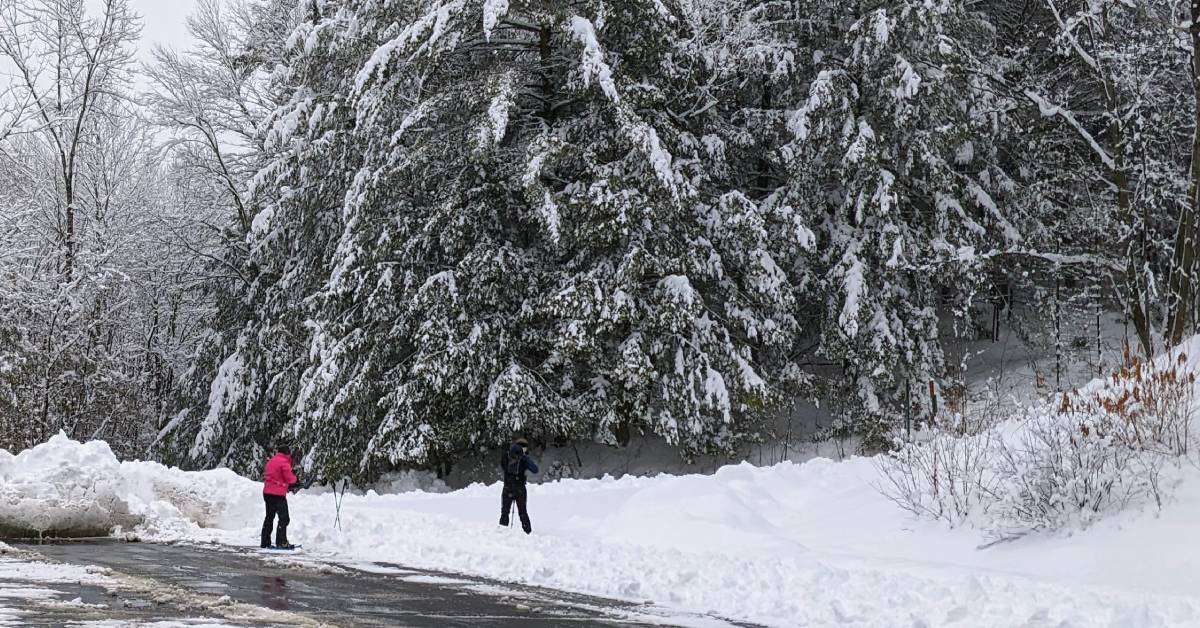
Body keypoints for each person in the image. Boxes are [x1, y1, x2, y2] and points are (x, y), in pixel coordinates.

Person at [262, 444, 298, 549]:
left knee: (269, 517)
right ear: (287, 453)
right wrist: (295, 479)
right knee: (284, 518)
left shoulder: (271, 461)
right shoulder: (284, 462)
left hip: (267, 493)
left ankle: (265, 542)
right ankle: (281, 542)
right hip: (278, 494)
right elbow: (290, 479)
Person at [499, 437, 539, 534]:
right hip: (520, 488)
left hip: (507, 487)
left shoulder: (507, 455)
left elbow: (503, 466)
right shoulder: (524, 458)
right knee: (522, 512)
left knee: (505, 513)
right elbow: (535, 470)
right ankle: (528, 532)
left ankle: (501, 534)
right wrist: (525, 459)